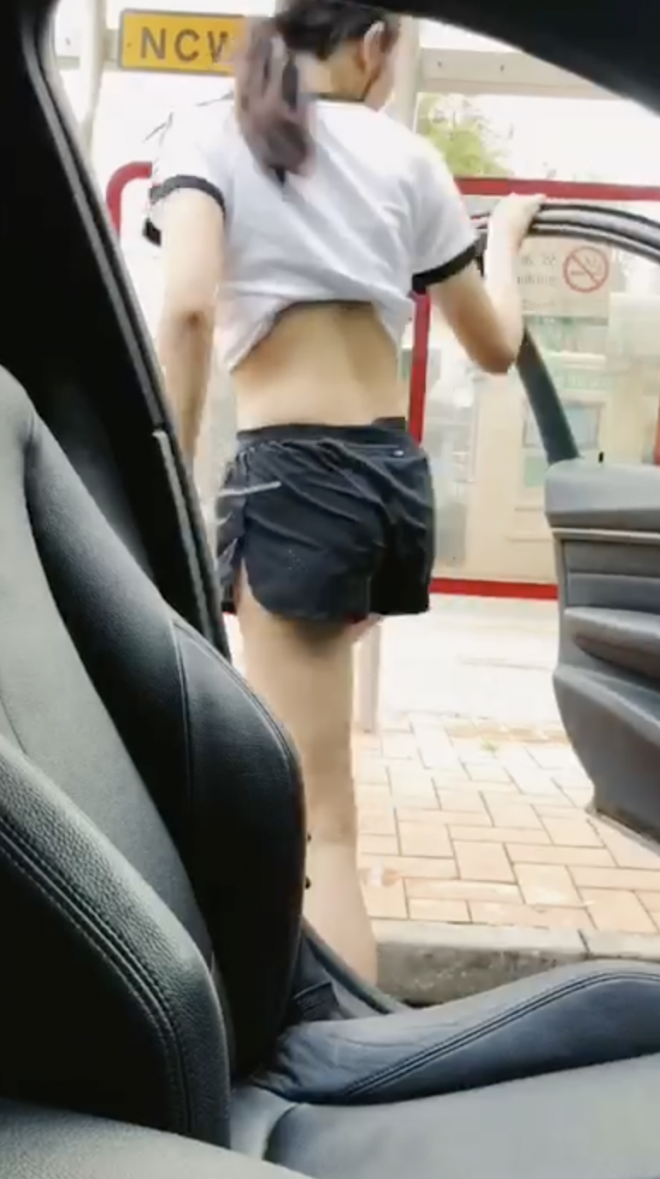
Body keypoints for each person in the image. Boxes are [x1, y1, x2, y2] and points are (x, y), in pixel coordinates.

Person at [145, 0, 543, 984]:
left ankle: (340, 1036)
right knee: (306, 787)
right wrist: (506, 244)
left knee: (319, 822)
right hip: (385, 479)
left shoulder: (209, 132)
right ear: (373, 46)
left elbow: (187, 306)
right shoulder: (407, 157)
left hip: (297, 479)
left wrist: (168, 479)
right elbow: (496, 344)